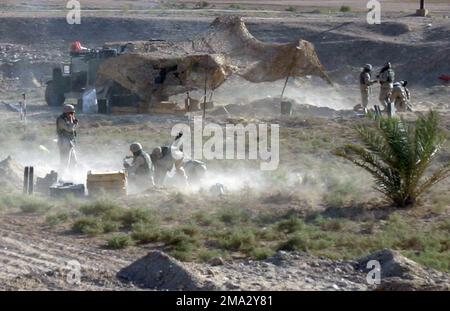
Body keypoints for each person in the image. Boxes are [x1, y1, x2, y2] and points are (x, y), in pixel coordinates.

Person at [56, 104, 78, 177]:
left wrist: (74, 121)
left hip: (70, 143)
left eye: (73, 113)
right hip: (64, 142)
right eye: (71, 113)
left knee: (73, 162)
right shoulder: (61, 120)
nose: (72, 115)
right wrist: (72, 121)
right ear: (66, 113)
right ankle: (61, 177)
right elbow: (69, 129)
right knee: (65, 162)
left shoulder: (69, 119)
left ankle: (72, 176)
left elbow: (73, 129)